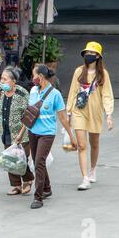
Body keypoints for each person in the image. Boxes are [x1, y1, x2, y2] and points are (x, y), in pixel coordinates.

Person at [66, 42, 114, 191]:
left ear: (98, 56)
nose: (88, 56)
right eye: (87, 53)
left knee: (94, 143)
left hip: (95, 112)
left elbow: (107, 95)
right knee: (82, 145)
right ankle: (85, 178)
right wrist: (68, 112)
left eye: (92, 53)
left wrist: (109, 114)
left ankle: (93, 169)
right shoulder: (78, 72)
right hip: (79, 111)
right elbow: (73, 92)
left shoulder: (103, 74)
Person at [28, 64, 77, 209]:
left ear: (40, 77)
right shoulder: (33, 91)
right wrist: (21, 133)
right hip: (32, 131)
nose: (32, 79)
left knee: (39, 163)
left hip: (47, 133)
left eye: (33, 76)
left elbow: (62, 117)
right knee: (39, 162)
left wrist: (71, 136)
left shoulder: (55, 94)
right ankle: (47, 188)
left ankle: (38, 197)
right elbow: (30, 113)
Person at [0, 66, 34, 195]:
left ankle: (27, 181)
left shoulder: (22, 94)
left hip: (22, 133)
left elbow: (28, 114)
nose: (2, 81)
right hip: (6, 131)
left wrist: (21, 133)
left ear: (13, 81)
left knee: (22, 158)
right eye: (1, 78)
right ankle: (16, 185)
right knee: (10, 158)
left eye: (5, 79)